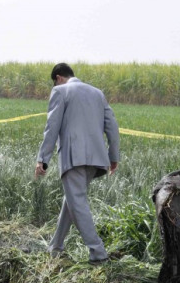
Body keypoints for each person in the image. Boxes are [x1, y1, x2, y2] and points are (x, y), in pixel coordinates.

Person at [35, 63, 120, 264]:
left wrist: (42, 159)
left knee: (78, 202)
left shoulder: (60, 91)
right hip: (97, 159)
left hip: (73, 157)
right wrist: (113, 155)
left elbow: (51, 127)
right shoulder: (97, 93)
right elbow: (113, 126)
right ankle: (55, 247)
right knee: (72, 200)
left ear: (58, 77)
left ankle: (98, 253)